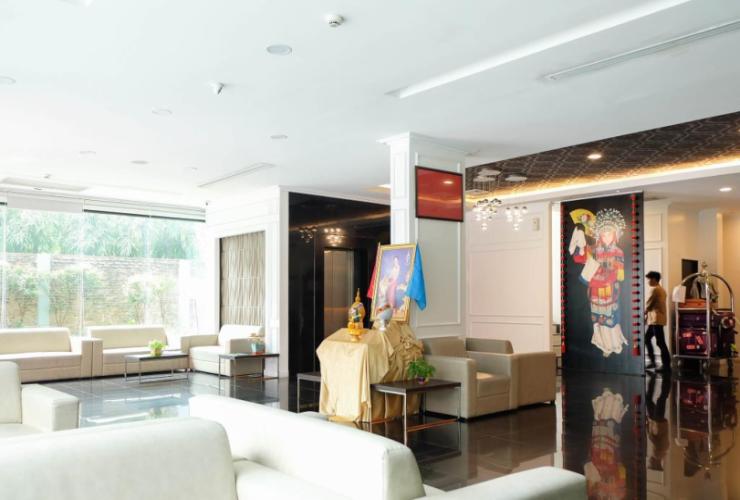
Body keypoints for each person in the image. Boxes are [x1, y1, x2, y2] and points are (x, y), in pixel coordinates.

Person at [645, 271, 671, 371]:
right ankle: (653, 362)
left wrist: (643, 313)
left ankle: (666, 365)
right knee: (647, 339)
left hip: (656, 320)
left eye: (649, 279)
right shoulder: (661, 289)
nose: (648, 281)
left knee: (660, 342)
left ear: (654, 279)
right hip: (656, 320)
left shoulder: (655, 290)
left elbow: (649, 304)